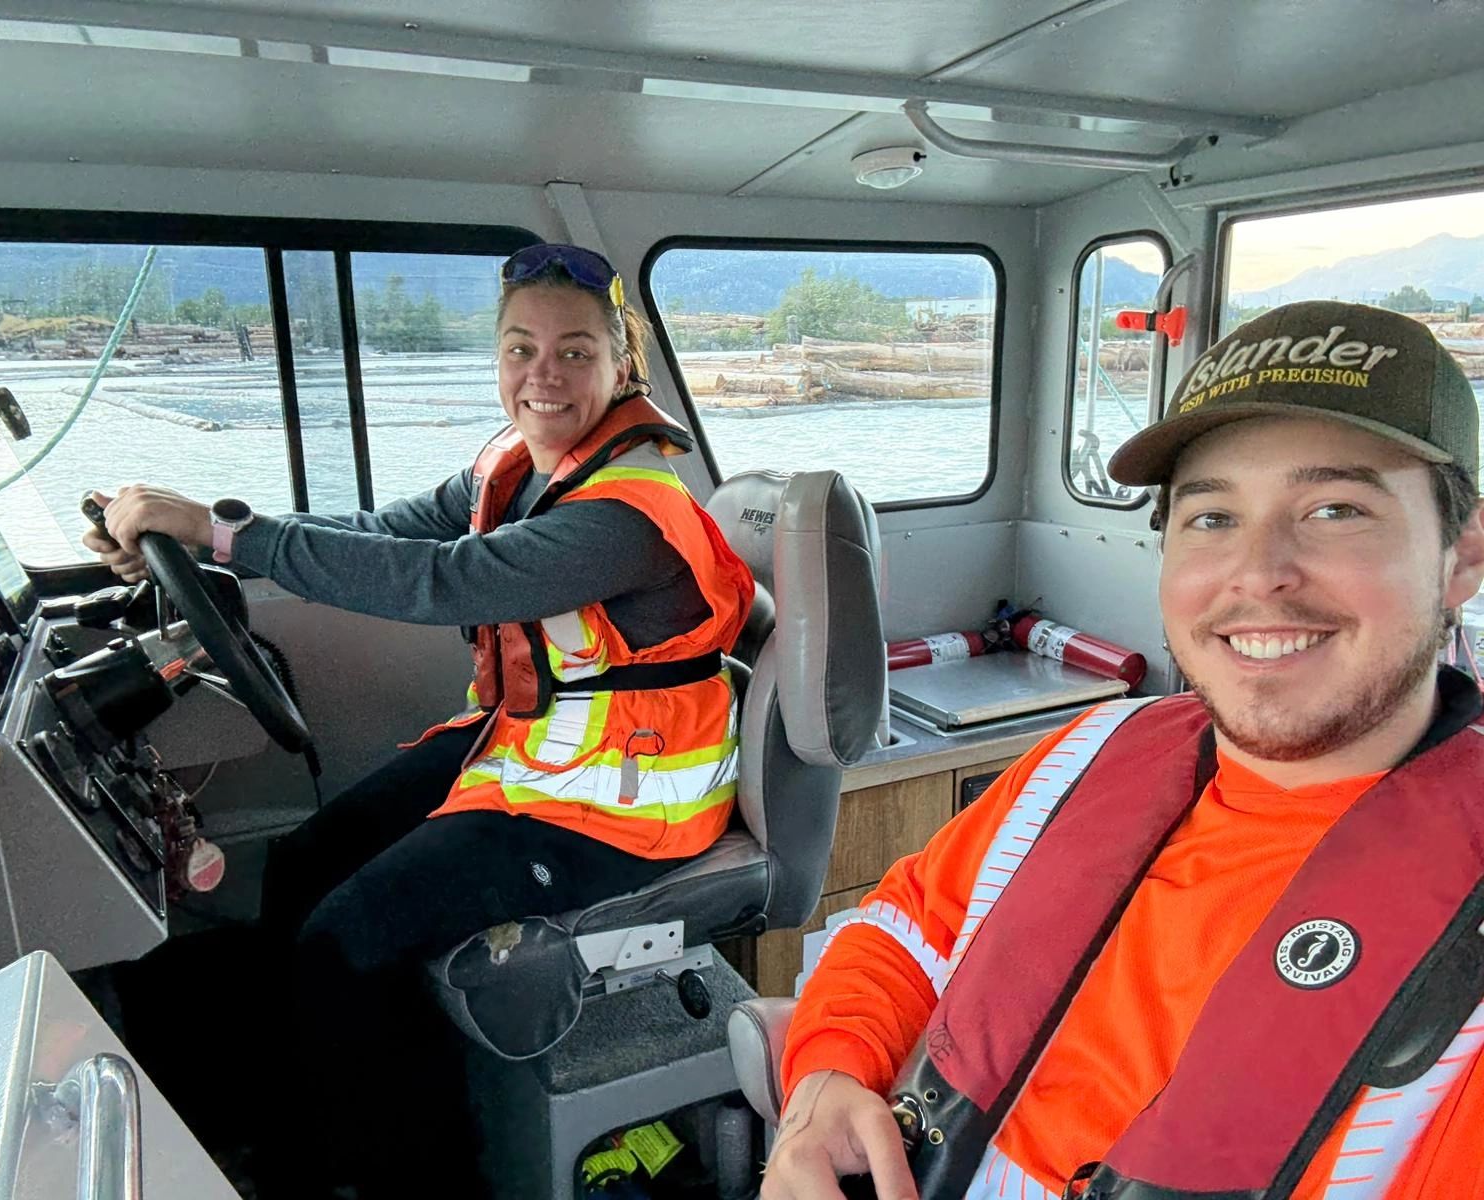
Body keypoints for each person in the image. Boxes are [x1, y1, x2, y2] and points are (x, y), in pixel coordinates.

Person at [764, 301, 1484, 1200]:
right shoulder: (1094, 749)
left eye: (1336, 509)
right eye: (1212, 518)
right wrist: (825, 1080)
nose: (1257, 572)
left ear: (1461, 557)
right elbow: (902, 930)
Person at [84, 243, 754, 1197]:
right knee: (310, 859)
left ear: (621, 367)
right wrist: (222, 539)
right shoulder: (515, 466)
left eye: (575, 351)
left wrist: (219, 534)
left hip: (623, 806)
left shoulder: (627, 511)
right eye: (521, 348)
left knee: (347, 939)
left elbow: (440, 581)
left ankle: (389, 1172)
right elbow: (385, 531)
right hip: (531, 758)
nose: (543, 375)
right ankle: (291, 1107)